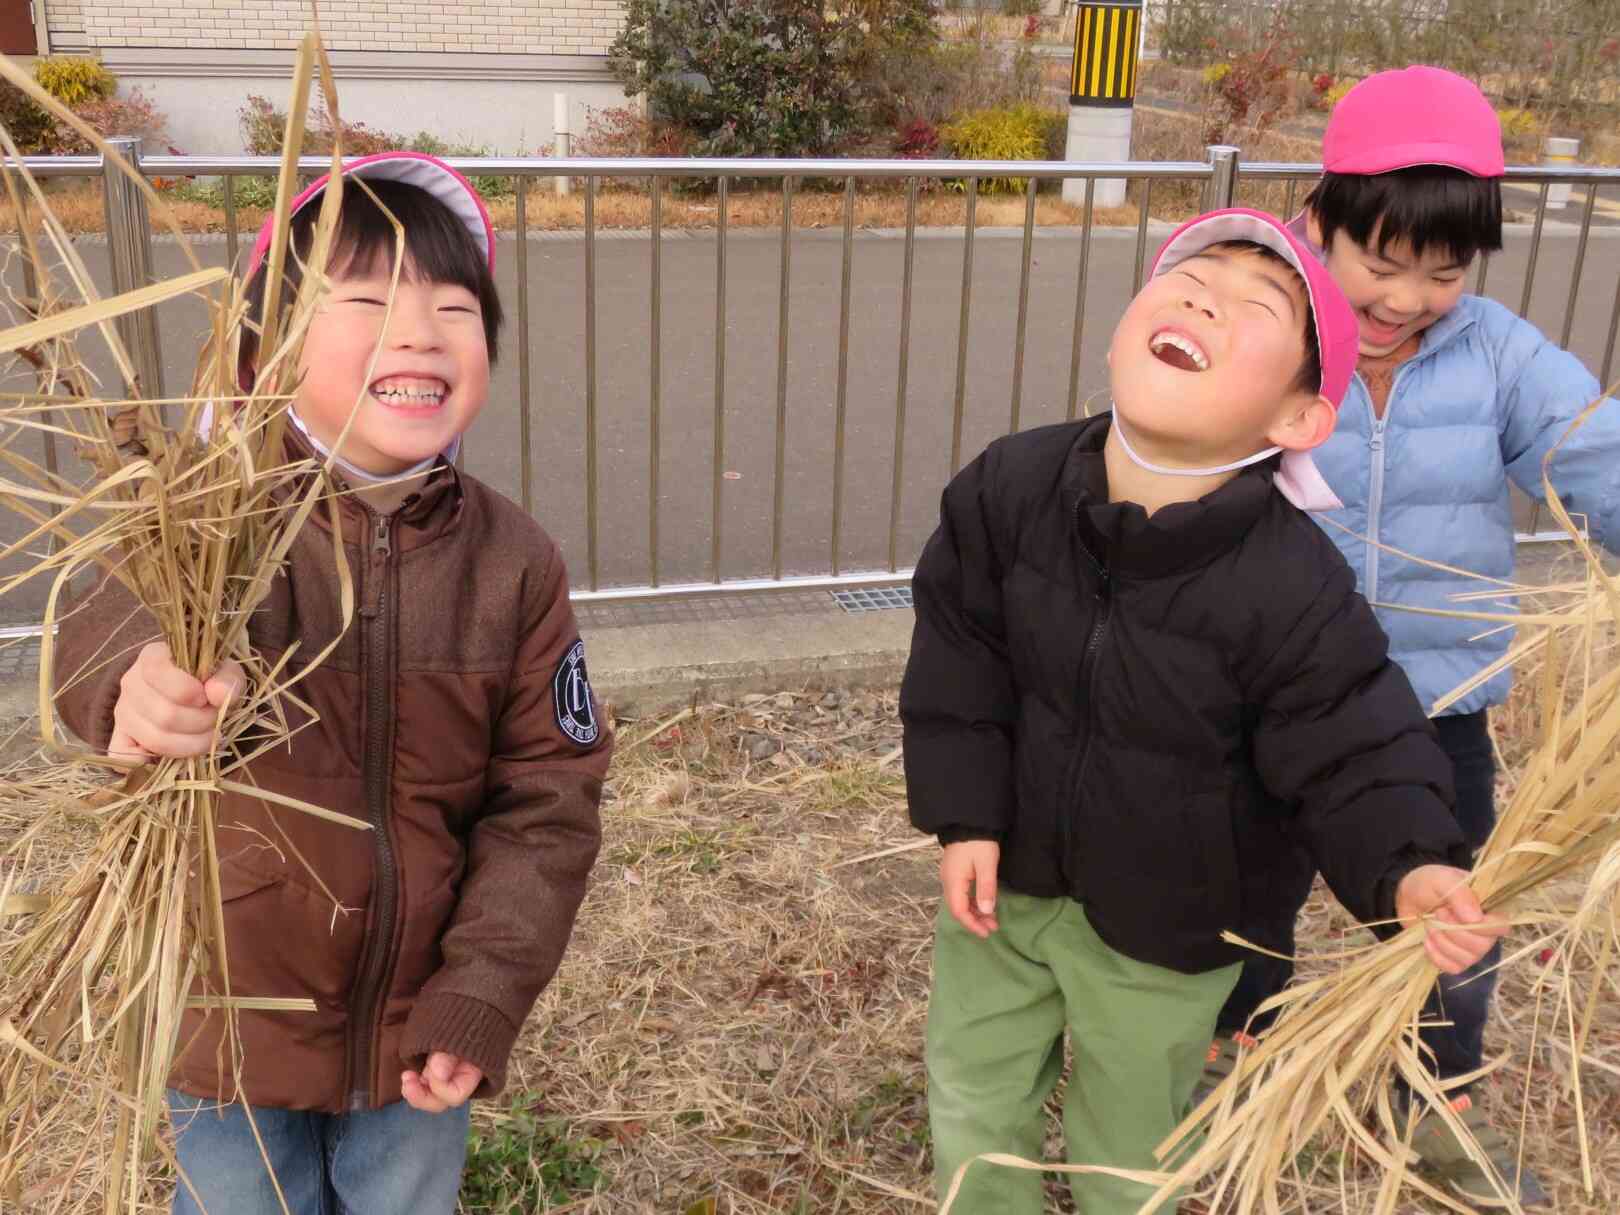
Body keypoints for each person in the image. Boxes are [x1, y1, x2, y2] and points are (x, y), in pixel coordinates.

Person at [899, 207, 1507, 1215]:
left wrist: (1410, 863)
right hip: (1002, 892)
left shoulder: (1289, 582)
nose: (1201, 299)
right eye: (1187, 282)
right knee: (974, 1088)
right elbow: (960, 659)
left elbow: (1352, 739)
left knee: (1132, 1137)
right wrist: (966, 818)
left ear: (1298, 418)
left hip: (1172, 923)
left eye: (1253, 305)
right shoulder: (1010, 488)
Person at [52, 152, 612, 1215]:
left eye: (455, 306)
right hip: (223, 1016)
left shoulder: (515, 563)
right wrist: (134, 689)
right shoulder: (206, 515)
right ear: (262, 352)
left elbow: (549, 800)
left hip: (417, 1025)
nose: (419, 332)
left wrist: (482, 992)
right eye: (366, 300)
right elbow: (99, 628)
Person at [1200, 67, 1620, 1206]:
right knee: (1245, 890)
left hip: (1438, 696)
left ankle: (1432, 1097)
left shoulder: (1495, 353)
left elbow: (1591, 452)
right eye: (1381, 264)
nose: (1409, 297)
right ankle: (1234, 1061)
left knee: (1451, 913)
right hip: (1263, 698)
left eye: (1444, 272)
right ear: (1321, 220)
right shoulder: (1257, 329)